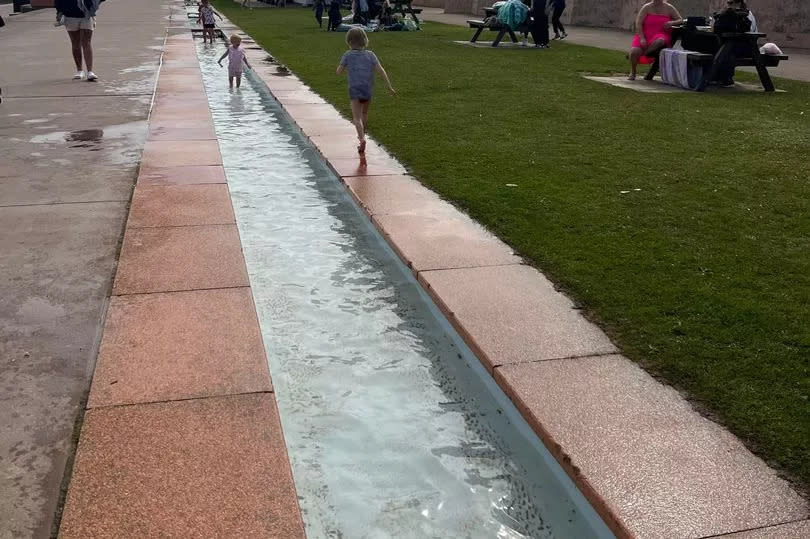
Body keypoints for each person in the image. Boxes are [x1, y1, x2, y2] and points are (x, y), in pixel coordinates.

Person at [336, 28, 395, 155]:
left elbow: (338, 71)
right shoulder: (371, 55)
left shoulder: (347, 55)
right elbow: (381, 70)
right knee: (365, 114)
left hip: (354, 89)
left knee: (356, 118)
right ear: (365, 40)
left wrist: (348, 70)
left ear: (349, 41)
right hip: (367, 89)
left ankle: (361, 139)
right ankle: (364, 134)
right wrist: (389, 86)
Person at [628, 0, 683, 80]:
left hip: (661, 34)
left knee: (660, 41)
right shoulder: (646, 7)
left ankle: (645, 53)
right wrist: (642, 38)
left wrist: (671, 23)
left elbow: (680, 20)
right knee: (634, 52)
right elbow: (638, 23)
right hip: (645, 35)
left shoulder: (669, 7)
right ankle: (633, 72)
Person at [55, 0, 105, 81]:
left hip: (87, 15)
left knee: (86, 42)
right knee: (75, 43)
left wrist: (94, 6)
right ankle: (80, 71)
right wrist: (59, 12)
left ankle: (90, 72)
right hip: (70, 15)